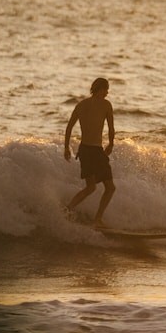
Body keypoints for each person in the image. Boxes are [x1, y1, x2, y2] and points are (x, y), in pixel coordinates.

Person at [64, 77, 116, 227]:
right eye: (106, 89)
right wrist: (111, 144)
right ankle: (97, 219)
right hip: (95, 151)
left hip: (84, 150)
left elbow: (69, 128)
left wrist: (66, 147)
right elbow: (111, 128)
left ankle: (68, 209)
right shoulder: (106, 105)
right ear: (99, 89)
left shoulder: (81, 104)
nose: (107, 92)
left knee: (91, 187)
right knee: (110, 188)